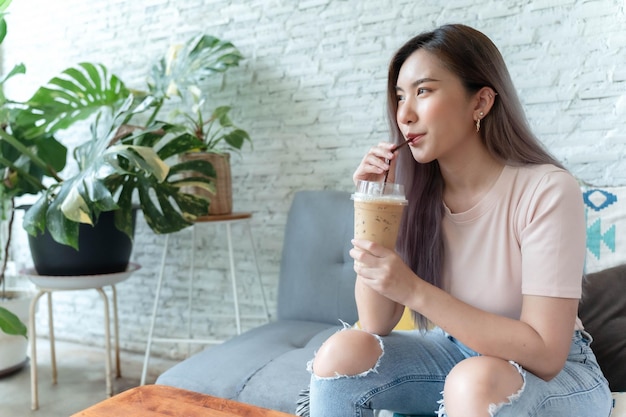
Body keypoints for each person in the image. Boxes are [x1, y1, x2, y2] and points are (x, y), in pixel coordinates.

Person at [304, 24, 612, 417]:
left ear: (480, 102)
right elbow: (378, 321)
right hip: (456, 356)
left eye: (423, 91)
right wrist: (373, 203)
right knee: (342, 352)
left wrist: (415, 290)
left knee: (474, 380)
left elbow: (546, 353)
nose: (405, 114)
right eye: (399, 97)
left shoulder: (547, 189)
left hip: (557, 374)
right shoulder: (412, 194)